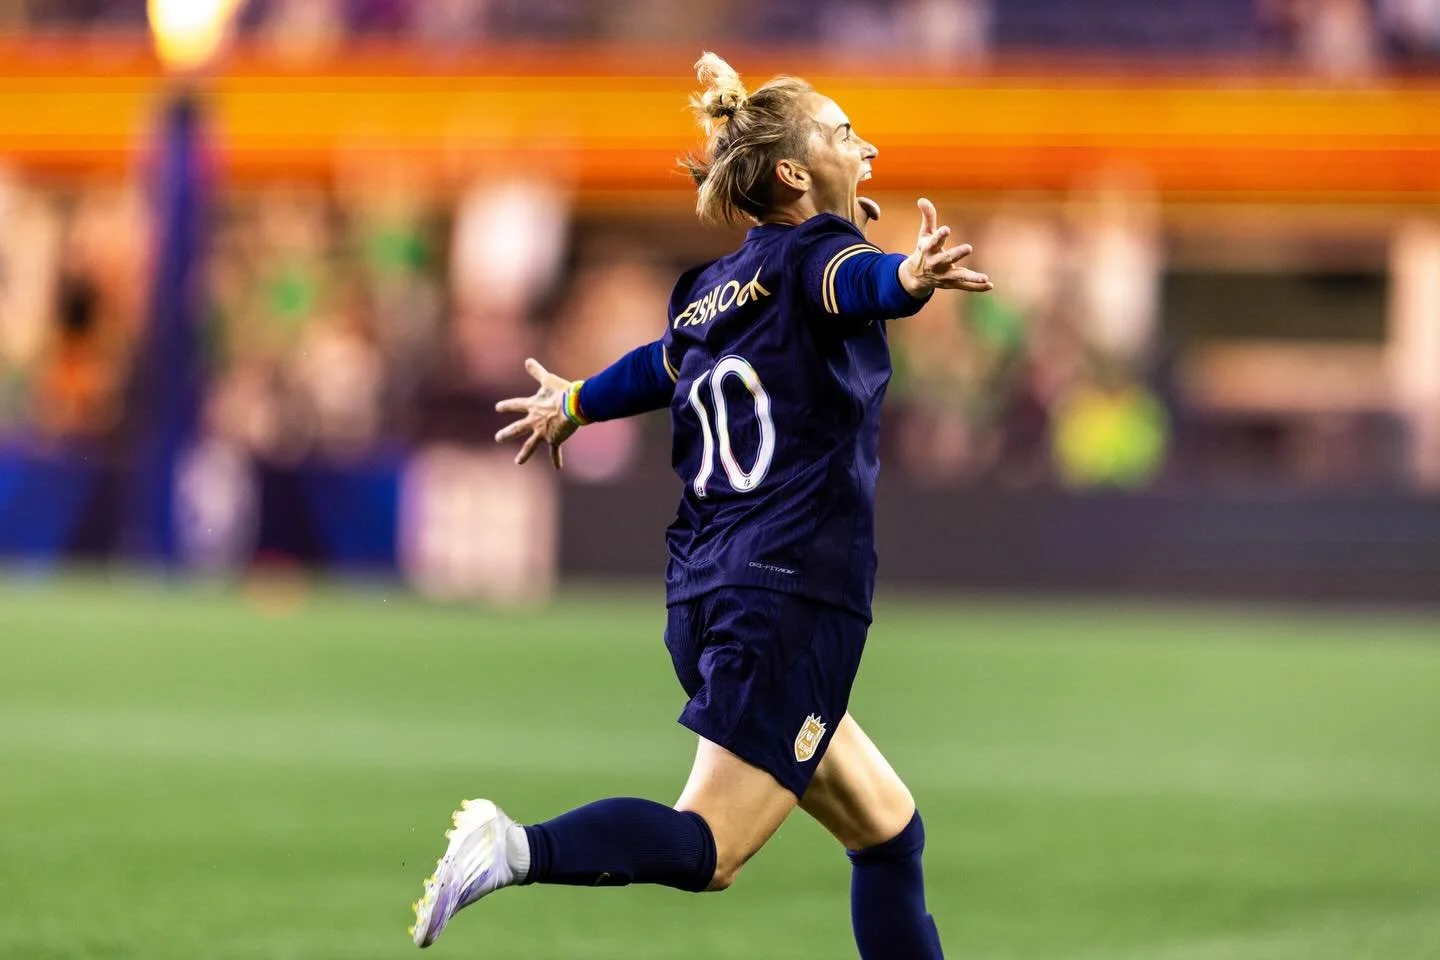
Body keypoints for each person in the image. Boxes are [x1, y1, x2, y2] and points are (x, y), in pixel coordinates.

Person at [409, 52, 992, 958]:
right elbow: (857, 284)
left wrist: (573, 402)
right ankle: (515, 847)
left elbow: (661, 363)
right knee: (711, 847)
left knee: (886, 832)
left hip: (709, 589)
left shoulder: (710, 288)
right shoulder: (822, 258)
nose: (865, 146)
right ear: (794, 173)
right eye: (844, 134)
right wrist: (907, 280)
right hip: (789, 597)